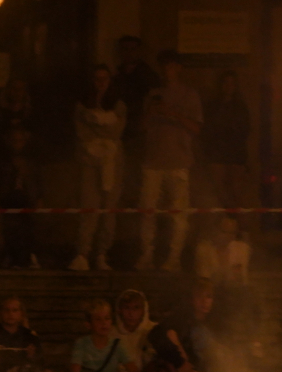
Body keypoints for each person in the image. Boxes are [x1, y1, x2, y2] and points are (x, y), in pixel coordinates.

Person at [137, 50, 201, 272]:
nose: (167, 71)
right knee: (147, 213)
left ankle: (174, 259)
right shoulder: (153, 94)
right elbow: (141, 127)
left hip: (179, 162)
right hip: (152, 161)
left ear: (179, 68)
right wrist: (151, 111)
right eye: (164, 66)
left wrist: (172, 113)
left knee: (178, 216)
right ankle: (146, 255)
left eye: (171, 66)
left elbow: (197, 128)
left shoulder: (189, 95)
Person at [148, 278, 242, 372]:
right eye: (199, 296)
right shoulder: (181, 319)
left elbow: (220, 359)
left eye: (208, 296)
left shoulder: (216, 324)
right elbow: (156, 335)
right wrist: (180, 362)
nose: (204, 301)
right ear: (192, 299)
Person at [70, 65, 126, 272]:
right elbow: (82, 131)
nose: (101, 82)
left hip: (112, 162)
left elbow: (116, 130)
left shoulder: (118, 104)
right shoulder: (81, 105)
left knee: (108, 209)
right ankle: (83, 253)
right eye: (97, 78)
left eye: (105, 78)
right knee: (88, 207)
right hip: (88, 160)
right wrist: (101, 128)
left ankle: (102, 253)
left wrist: (96, 124)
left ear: (110, 81)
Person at [65, 299, 149, 372]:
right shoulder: (82, 344)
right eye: (98, 319)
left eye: (107, 318)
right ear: (88, 325)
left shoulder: (117, 344)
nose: (104, 323)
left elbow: (134, 371)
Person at [201, 70, 250, 209]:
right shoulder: (212, 106)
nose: (229, 86)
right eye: (226, 83)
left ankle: (239, 220)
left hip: (236, 152)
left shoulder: (240, 106)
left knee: (236, 190)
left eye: (232, 83)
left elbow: (245, 130)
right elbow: (207, 128)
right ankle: (226, 217)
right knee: (219, 190)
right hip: (217, 151)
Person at [0, 126, 39, 270]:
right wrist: (0, 197)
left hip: (27, 198)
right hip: (9, 198)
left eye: (20, 140)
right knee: (10, 228)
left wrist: (38, 197)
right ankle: (12, 257)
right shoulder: (3, 161)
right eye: (14, 140)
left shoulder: (31, 160)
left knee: (28, 228)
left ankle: (27, 257)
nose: (17, 144)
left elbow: (37, 180)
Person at [109, 35, 160, 156]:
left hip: (141, 127)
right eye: (125, 49)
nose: (129, 53)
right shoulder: (117, 75)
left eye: (133, 49)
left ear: (139, 51)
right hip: (120, 127)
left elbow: (155, 101)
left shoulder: (148, 75)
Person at [0, 296, 43, 372]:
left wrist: (32, 356)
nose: (10, 314)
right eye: (7, 310)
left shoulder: (30, 337)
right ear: (0, 313)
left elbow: (40, 363)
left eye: (15, 310)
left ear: (21, 314)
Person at [113, 288, 157, 370]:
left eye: (136, 308)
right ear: (119, 310)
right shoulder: (111, 333)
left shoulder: (154, 331)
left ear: (143, 310)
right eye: (126, 308)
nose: (131, 313)